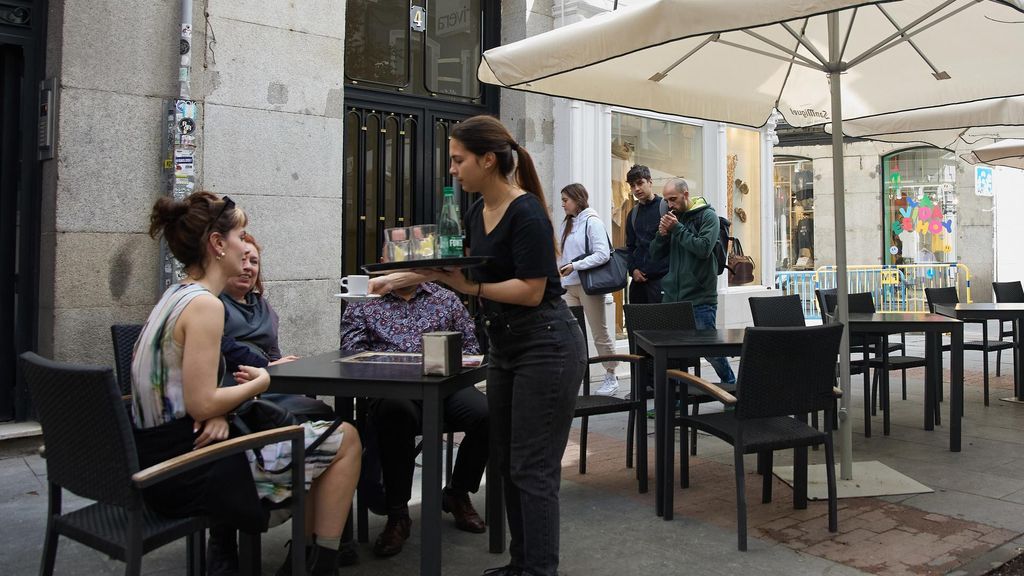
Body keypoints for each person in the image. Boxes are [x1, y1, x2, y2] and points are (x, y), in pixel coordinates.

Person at [371, 115, 586, 576]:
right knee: (507, 464)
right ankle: (521, 564)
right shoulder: (474, 212)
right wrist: (402, 277)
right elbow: (459, 271)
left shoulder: (525, 211)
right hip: (506, 347)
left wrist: (470, 290)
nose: (452, 169)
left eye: (458, 159)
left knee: (533, 469)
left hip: (546, 344)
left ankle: (538, 570)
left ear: (488, 160)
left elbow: (530, 290)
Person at [132, 192, 361, 576]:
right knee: (346, 439)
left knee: (313, 434)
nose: (245, 244)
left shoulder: (175, 296)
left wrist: (220, 409)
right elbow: (203, 403)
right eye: (241, 234)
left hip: (158, 464)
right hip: (190, 472)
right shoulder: (206, 305)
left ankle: (308, 560)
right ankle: (318, 563)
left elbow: (188, 396)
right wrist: (263, 381)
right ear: (218, 244)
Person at [210, 231, 356, 573]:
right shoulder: (210, 305)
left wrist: (274, 366)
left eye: (254, 262)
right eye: (242, 259)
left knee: (328, 419)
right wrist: (267, 367)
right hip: (234, 393)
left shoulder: (262, 307)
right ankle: (314, 547)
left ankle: (321, 541)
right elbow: (222, 356)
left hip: (267, 388)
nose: (247, 267)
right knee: (336, 431)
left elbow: (273, 354)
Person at [339, 280, 489, 558]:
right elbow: (350, 353)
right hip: (393, 389)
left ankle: (457, 492)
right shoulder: (365, 302)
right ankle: (398, 514)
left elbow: (470, 348)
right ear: (384, 262)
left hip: (443, 387)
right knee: (395, 414)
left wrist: (444, 362)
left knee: (487, 415)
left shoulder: (445, 298)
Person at [650, 178, 736, 385]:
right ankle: (675, 400)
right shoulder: (672, 218)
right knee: (671, 353)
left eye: (673, 199)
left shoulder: (708, 217)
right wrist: (662, 236)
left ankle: (732, 387)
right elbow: (654, 255)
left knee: (710, 351)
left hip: (700, 297)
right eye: (667, 200)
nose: (669, 204)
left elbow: (703, 248)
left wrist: (677, 229)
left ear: (686, 194)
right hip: (672, 299)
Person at [556, 183, 620, 396]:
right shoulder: (569, 224)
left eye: (566, 200)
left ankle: (611, 376)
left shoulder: (592, 222)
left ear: (577, 199)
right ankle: (575, 378)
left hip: (588, 285)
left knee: (599, 332)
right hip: (569, 287)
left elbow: (602, 254)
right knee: (571, 335)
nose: (563, 204)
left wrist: (575, 265)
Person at [624, 164, 669, 304]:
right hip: (638, 283)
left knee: (661, 325)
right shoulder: (633, 214)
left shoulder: (666, 207)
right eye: (632, 186)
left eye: (640, 183)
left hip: (662, 281)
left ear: (650, 182)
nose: (636, 189)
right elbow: (630, 247)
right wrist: (633, 270)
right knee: (637, 324)